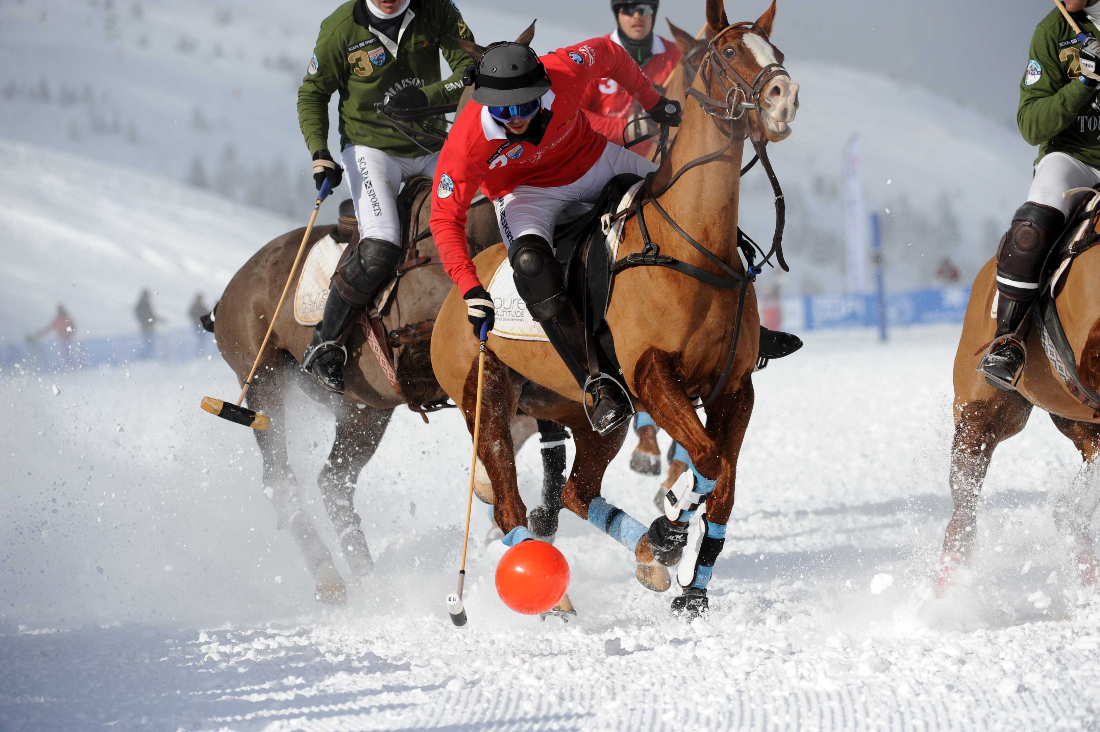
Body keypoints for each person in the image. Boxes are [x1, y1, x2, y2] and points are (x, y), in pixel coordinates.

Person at [429, 39, 683, 435]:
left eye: (525, 106)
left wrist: (651, 102)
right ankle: (598, 385)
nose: (514, 119)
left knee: (680, 197)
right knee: (529, 265)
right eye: (502, 110)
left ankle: (740, 315)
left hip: (595, 160)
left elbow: (610, 53)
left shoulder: (563, 70)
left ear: (542, 88)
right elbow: (444, 218)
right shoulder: (466, 141)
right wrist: (469, 286)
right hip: (525, 194)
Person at [297, 0, 476, 393]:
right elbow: (312, 93)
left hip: (432, 143)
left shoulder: (437, 10)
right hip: (371, 149)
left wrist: (427, 96)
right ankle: (324, 343)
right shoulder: (341, 27)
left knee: (482, 216)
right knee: (381, 244)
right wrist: (319, 152)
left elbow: (471, 68)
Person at [980, 0, 1100, 388]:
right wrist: (1084, 84)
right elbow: (1032, 124)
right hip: (1074, 160)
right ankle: (1008, 341)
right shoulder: (1052, 31)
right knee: (1030, 229)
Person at [27, 304, 76, 370]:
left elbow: (71, 327)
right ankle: (70, 365)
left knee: (67, 352)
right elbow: (50, 328)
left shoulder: (64, 318)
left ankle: (71, 365)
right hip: (63, 338)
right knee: (66, 352)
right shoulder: (60, 319)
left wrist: (69, 333)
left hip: (66, 338)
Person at [134, 289, 160, 360]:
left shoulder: (145, 304)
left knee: (149, 344)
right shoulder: (143, 304)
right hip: (146, 328)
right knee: (148, 344)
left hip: (148, 327)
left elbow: (150, 316)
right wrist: (146, 321)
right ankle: (144, 358)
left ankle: (146, 358)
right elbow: (148, 316)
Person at [189, 293, 209, 357]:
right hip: (197, 326)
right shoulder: (195, 306)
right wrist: (196, 319)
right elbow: (191, 313)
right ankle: (198, 352)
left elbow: (207, 313)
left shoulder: (202, 306)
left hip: (201, 326)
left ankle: (201, 351)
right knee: (199, 339)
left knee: (202, 339)